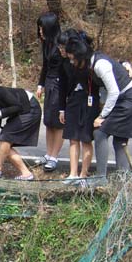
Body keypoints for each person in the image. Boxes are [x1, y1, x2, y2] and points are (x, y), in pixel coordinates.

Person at [65, 39, 132, 183]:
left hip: (130, 99)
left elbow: (114, 91)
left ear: (80, 57)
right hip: (126, 98)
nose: (71, 63)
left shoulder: (99, 65)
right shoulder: (92, 64)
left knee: (100, 132)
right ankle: (124, 178)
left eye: (72, 59)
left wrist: (102, 116)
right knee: (119, 140)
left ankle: (101, 177)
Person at [58, 29, 99, 184]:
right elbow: (62, 86)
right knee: (73, 138)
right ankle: (73, 173)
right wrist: (61, 108)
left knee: (85, 138)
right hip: (73, 101)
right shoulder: (64, 63)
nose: (62, 51)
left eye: (64, 47)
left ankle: (83, 174)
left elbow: (107, 66)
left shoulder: (89, 60)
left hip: (89, 101)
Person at [35, 12, 65, 172]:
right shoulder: (46, 43)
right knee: (48, 121)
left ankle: (54, 156)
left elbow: (66, 69)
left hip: (60, 85)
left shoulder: (61, 44)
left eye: (42, 28)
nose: (40, 32)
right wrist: (41, 85)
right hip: (49, 82)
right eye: (39, 28)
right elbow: (45, 66)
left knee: (58, 122)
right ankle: (48, 153)